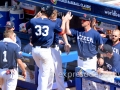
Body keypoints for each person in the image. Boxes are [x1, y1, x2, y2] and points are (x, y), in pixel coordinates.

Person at [25, 5, 68, 90]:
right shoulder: (51, 23)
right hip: (45, 51)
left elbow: (25, 26)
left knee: (42, 71)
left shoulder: (34, 21)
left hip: (35, 51)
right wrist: (64, 21)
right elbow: (62, 31)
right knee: (45, 75)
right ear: (49, 12)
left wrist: (35, 17)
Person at [65, 12, 103, 90]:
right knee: (82, 81)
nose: (82, 21)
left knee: (92, 82)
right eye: (81, 20)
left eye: (84, 20)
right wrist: (67, 20)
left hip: (90, 61)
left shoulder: (95, 34)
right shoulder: (79, 31)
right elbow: (68, 31)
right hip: (80, 60)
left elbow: (101, 47)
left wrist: (101, 57)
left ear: (89, 22)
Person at [49, 9, 65, 90]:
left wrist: (61, 40)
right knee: (49, 71)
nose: (53, 19)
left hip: (55, 47)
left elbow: (61, 32)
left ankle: (61, 88)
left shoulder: (58, 20)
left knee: (58, 70)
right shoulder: (47, 21)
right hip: (48, 48)